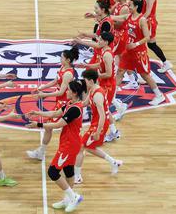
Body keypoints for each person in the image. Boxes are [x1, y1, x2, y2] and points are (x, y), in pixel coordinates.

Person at [25, 80, 85, 212]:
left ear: (74, 93)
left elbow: (58, 125)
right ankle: (68, 199)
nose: (66, 92)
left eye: (68, 90)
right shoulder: (70, 104)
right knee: (68, 171)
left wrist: (38, 125)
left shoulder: (75, 109)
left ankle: (73, 197)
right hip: (69, 142)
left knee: (52, 172)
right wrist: (37, 113)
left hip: (70, 145)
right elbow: (54, 114)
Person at [26, 46, 79, 161]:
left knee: (53, 127)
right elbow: (55, 81)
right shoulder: (62, 67)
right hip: (59, 101)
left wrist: (44, 94)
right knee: (51, 127)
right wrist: (41, 88)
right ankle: (42, 152)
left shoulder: (68, 74)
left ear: (68, 60)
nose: (60, 59)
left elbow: (61, 92)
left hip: (64, 102)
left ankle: (43, 152)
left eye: (62, 57)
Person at [73, 69, 123, 185]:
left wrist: (98, 131)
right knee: (89, 147)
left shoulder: (98, 95)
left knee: (81, 147)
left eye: (85, 80)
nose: (84, 82)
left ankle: (77, 176)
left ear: (91, 81)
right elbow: (85, 103)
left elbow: (103, 116)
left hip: (99, 124)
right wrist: (72, 105)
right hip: (96, 123)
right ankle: (114, 162)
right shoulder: (92, 89)